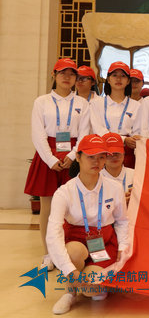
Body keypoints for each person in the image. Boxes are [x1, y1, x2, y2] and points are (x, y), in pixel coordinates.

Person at [47, 134, 129, 314]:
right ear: (78, 157)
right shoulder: (64, 192)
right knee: (73, 253)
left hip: (104, 244)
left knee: (92, 291)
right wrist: (70, 271)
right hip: (76, 241)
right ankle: (69, 292)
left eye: (102, 157)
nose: (97, 162)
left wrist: (123, 248)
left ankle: (91, 282)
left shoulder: (115, 188)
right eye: (91, 157)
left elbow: (122, 221)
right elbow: (53, 232)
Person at [25, 58, 91, 271]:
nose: (67, 77)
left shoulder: (82, 103)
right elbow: (38, 133)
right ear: (54, 75)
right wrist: (51, 159)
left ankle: (69, 251)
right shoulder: (41, 101)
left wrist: (72, 156)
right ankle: (48, 253)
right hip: (48, 155)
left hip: (75, 156)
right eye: (62, 73)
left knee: (74, 206)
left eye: (71, 74)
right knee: (48, 207)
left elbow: (84, 134)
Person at [90, 61, 140, 168]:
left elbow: (137, 131)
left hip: (127, 154)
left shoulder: (136, 106)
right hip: (103, 152)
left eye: (123, 76)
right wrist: (123, 140)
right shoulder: (95, 104)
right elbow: (98, 129)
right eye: (114, 75)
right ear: (108, 79)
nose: (118, 79)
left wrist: (133, 140)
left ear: (128, 81)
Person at [100, 132, 134, 204]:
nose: (114, 156)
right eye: (110, 153)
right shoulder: (96, 179)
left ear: (124, 153)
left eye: (117, 152)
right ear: (102, 156)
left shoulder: (136, 175)